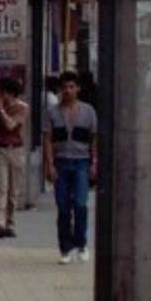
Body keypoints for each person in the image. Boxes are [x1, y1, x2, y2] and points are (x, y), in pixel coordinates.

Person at [42, 72, 98, 265]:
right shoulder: (52, 112)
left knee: (81, 204)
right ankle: (65, 247)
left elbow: (94, 139)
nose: (68, 91)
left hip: (81, 162)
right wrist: (49, 165)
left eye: (71, 87)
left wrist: (94, 163)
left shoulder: (88, 111)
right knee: (63, 207)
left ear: (78, 89)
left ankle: (81, 243)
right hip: (61, 162)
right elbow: (47, 139)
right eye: (64, 87)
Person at [0, 77, 29, 239]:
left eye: (2, 92)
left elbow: (11, 125)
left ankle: (10, 223)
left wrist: (1, 110)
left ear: (10, 93)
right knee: (1, 187)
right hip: (0, 149)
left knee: (13, 190)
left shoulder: (22, 107)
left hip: (16, 150)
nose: (0, 95)